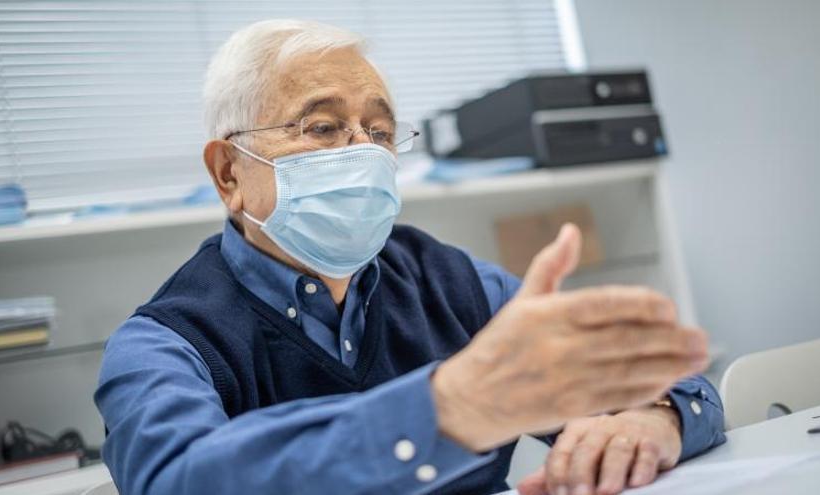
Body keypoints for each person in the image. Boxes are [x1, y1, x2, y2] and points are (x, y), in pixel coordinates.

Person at [95, 19, 725, 495]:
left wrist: (654, 419)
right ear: (228, 173)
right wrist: (447, 409)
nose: (364, 152)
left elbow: (675, 390)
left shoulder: (455, 285)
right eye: (322, 127)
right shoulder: (166, 344)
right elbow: (173, 479)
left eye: (380, 131)